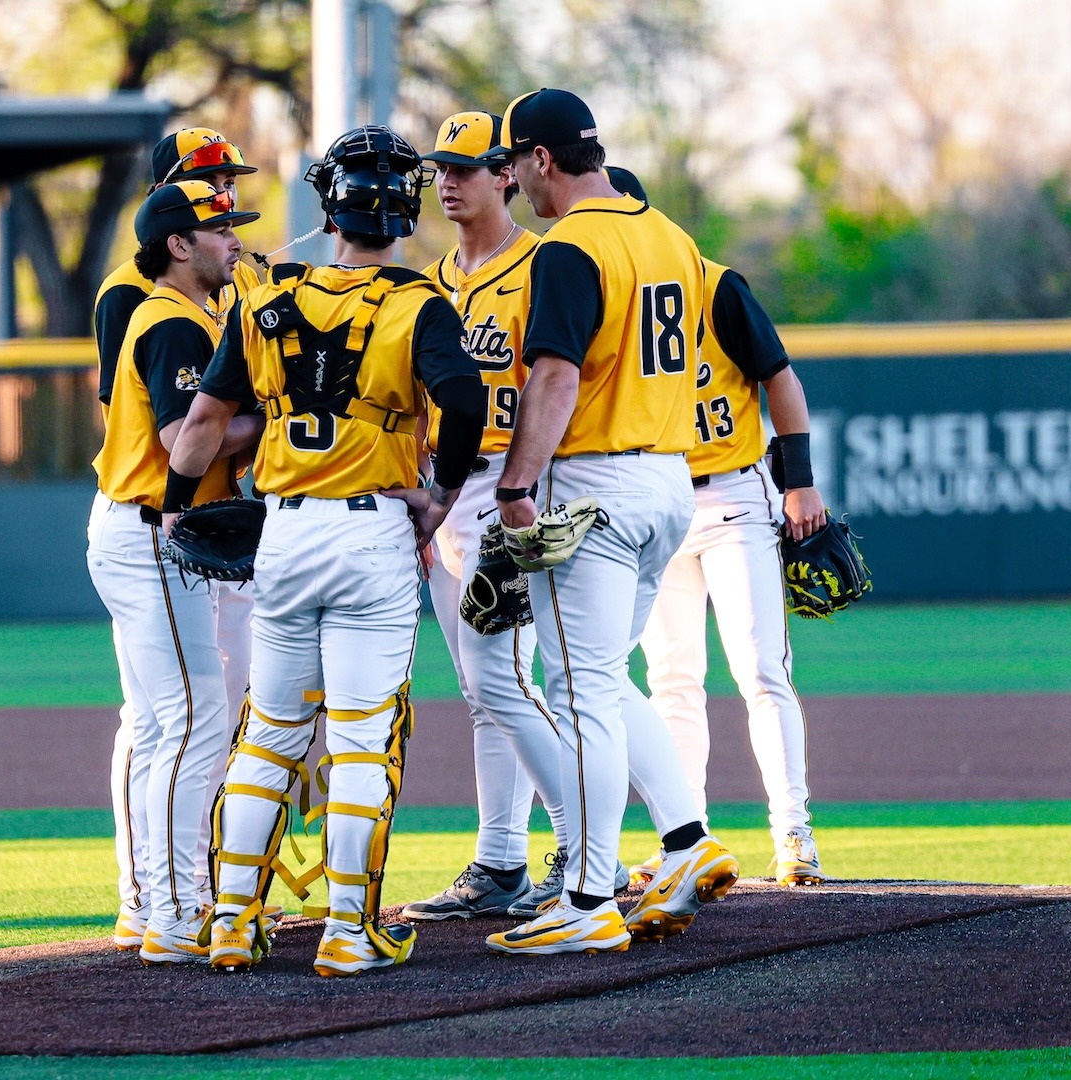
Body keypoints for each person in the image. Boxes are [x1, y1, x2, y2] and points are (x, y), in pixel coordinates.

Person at [163, 125, 485, 976]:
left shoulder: (265, 303)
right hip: (372, 527)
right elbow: (463, 401)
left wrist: (171, 504)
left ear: (328, 204)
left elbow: (199, 429)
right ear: (407, 208)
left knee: (268, 734)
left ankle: (232, 920)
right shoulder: (421, 302)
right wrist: (441, 496)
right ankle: (348, 930)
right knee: (362, 737)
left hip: (288, 529)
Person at [484, 89, 736, 956]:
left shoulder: (571, 246)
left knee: (581, 689)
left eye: (514, 164)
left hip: (592, 477)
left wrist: (516, 485)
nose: (512, 180)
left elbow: (555, 378)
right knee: (599, 678)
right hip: (670, 481)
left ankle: (588, 899)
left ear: (543, 160)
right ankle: (686, 845)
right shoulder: (669, 234)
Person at [403, 111, 618, 922]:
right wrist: (429, 498)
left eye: (467, 167)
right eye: (440, 169)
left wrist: (521, 493)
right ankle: (500, 860)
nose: (448, 182)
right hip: (445, 491)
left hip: (508, 488)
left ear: (508, 174)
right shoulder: (429, 281)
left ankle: (584, 844)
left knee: (507, 682)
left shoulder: (541, 266)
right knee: (483, 689)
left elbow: (556, 383)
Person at [86, 180, 264, 963]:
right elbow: (180, 438)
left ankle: (163, 906)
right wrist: (273, 418)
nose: (232, 238)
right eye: (216, 227)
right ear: (177, 245)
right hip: (150, 528)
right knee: (192, 723)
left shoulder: (190, 318)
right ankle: (176, 909)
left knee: (170, 725)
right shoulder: (169, 323)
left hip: (141, 531)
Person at [638, 250, 831, 887]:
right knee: (670, 679)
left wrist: (798, 481)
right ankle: (686, 841)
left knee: (761, 670)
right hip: (655, 497)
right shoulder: (605, 286)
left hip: (733, 496)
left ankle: (794, 833)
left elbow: (781, 377)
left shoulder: (713, 284)